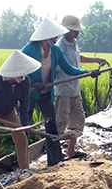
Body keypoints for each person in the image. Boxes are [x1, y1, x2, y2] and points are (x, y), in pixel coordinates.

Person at [21, 18, 99, 166]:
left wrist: (87, 72)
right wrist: (32, 82)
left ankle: (55, 160)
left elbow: (68, 68)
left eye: (56, 36)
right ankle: (21, 164)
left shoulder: (56, 50)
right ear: (45, 37)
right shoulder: (30, 49)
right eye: (53, 36)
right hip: (29, 94)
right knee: (25, 126)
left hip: (46, 93)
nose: (56, 38)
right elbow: (20, 70)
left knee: (51, 127)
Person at [55, 15, 109, 159]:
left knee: (78, 120)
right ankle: (55, 152)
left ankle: (71, 150)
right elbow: (67, 69)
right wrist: (87, 73)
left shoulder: (74, 42)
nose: (77, 32)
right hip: (63, 90)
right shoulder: (59, 47)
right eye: (74, 30)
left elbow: (78, 57)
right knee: (61, 121)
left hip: (74, 90)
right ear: (66, 30)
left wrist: (95, 60)